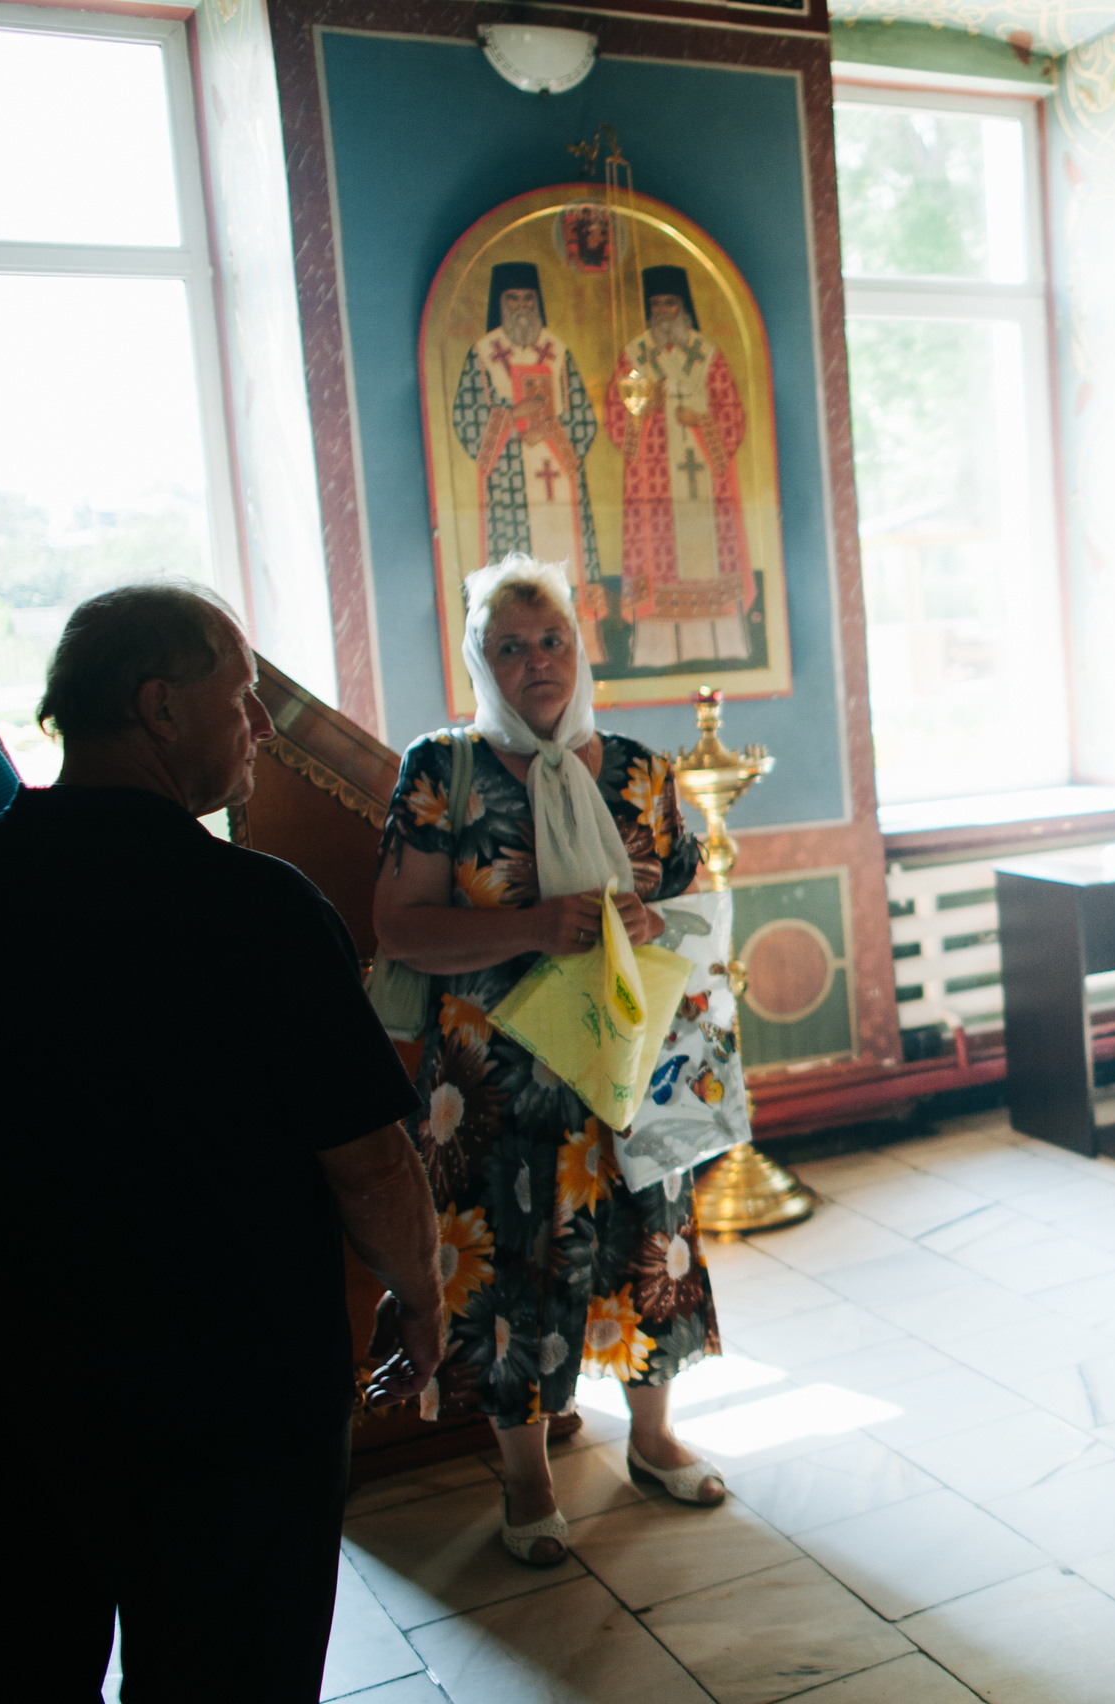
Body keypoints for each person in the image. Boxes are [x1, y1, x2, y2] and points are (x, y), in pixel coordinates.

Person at [7, 584, 442, 1700]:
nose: (257, 728)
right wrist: (421, 1292)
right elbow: (370, 1159)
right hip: (231, 1403)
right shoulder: (255, 907)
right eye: (241, 699)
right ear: (159, 707)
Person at [372, 555, 725, 1568]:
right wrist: (532, 926)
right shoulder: (443, 769)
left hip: (626, 1066)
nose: (537, 663)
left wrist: (659, 915)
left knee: (647, 1242)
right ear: (480, 662)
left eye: (553, 640)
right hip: (497, 1084)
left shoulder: (638, 769)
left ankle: (652, 1440)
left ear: (582, 646)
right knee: (509, 1266)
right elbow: (399, 928)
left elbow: (701, 904)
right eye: (510, 647)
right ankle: (526, 1476)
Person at [604, 265, 757, 669]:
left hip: (705, 488)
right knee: (659, 568)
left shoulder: (707, 356)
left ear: (684, 307)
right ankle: (656, 653)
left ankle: (722, 648)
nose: (664, 313)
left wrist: (703, 421)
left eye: (671, 304)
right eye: (656, 305)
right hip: (654, 493)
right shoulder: (635, 357)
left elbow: (733, 418)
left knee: (709, 563)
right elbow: (617, 422)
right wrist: (644, 412)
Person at [452, 262, 607, 659]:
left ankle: (581, 649)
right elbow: (467, 418)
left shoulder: (556, 352)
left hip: (560, 480)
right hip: (510, 487)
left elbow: (585, 419)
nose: (521, 308)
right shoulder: (485, 355)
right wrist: (513, 418)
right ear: (499, 306)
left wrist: (551, 427)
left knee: (567, 561)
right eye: (512, 300)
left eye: (528, 300)